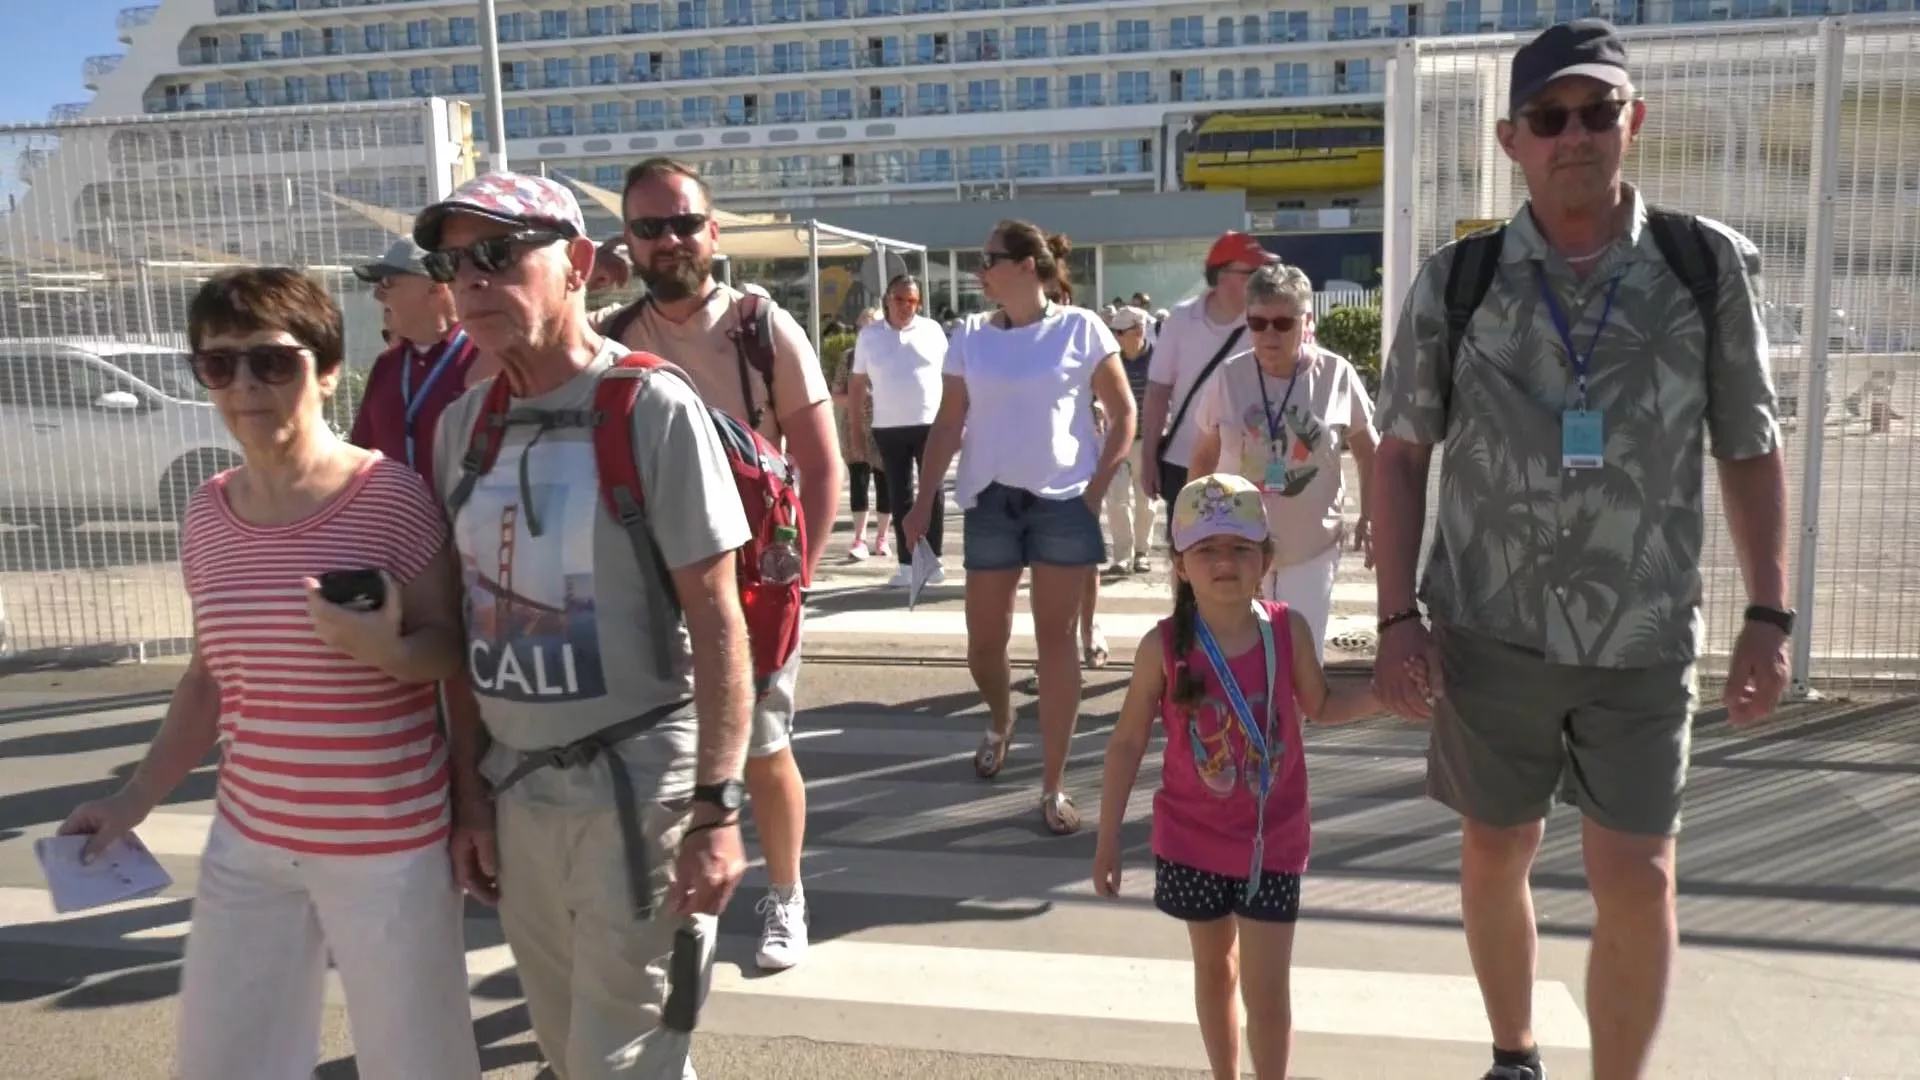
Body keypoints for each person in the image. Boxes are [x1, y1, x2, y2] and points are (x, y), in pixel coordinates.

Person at [1370, 20, 1790, 1080]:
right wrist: (1394, 618)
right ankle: (1514, 1052)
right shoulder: (1459, 282)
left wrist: (1769, 616)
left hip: (1642, 630)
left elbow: (1749, 449)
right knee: (1495, 848)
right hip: (1488, 625)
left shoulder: (1704, 269)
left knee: (1640, 876)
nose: (1577, 135)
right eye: (1551, 118)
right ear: (1514, 139)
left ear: (1631, 123)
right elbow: (1403, 453)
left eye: (1598, 111)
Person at [60, 267, 482, 1080]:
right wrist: (130, 799)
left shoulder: (389, 496)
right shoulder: (206, 509)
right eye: (219, 365)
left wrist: (391, 657)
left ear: (327, 371)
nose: (245, 384)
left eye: (272, 361)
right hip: (249, 841)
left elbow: (455, 651)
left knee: (417, 1063)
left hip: (388, 847)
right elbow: (206, 680)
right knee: (226, 1062)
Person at [417, 172, 755, 1080]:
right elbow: (459, 622)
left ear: (574, 264)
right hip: (519, 793)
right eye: (452, 262)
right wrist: (471, 795)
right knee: (568, 1051)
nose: (472, 281)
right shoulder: (462, 426)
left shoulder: (651, 406)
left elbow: (721, 624)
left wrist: (718, 808)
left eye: (497, 254)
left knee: (630, 1059)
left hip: (641, 797)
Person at [614, 156, 842, 972]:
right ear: (628, 243)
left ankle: (786, 894)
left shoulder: (759, 325)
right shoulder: (615, 337)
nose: (669, 239)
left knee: (762, 742)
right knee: (665, 749)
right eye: (650, 227)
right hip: (653, 578)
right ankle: (690, 903)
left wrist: (795, 581)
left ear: (713, 232)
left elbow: (821, 465)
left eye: (683, 222)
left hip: (754, 577)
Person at [1092, 473, 1383, 1080]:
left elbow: (1323, 705)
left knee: (1267, 989)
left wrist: (1391, 696)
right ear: (1179, 565)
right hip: (1190, 841)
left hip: (1271, 842)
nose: (1224, 562)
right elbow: (1125, 744)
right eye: (1206, 550)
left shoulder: (1287, 631)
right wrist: (1107, 836)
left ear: (1266, 560)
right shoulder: (1164, 647)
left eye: (1239, 548)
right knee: (1213, 969)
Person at [901, 221, 1135, 835]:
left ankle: (1052, 784)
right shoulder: (970, 336)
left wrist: (1095, 489)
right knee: (984, 643)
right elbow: (950, 423)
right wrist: (922, 498)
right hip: (990, 500)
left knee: (1056, 643)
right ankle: (1001, 719)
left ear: (1028, 266)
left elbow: (1125, 411)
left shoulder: (1080, 327)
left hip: (1062, 501)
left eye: (990, 260)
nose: (980, 271)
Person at [1188, 263, 1378, 659]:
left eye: (1282, 322)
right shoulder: (1229, 377)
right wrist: (1192, 528)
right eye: (1258, 323)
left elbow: (1366, 446)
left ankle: (1293, 724)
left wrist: (1372, 513)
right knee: (1241, 661)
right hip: (1237, 546)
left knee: (1300, 663)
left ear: (1306, 320)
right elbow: (1204, 454)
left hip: (1311, 546)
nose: (1269, 334)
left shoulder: (1336, 375)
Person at [1141, 233, 1279, 509]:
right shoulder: (1181, 318)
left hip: (1252, 466)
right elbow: (1157, 392)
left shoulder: (1269, 322)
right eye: (1254, 272)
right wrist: (1147, 460)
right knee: (1189, 550)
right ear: (1222, 275)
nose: (1265, 279)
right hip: (1184, 462)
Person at [349, 237, 492, 485]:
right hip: (398, 520)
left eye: (388, 282)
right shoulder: (386, 366)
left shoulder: (486, 358)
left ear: (435, 288)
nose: (378, 295)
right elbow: (360, 453)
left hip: (467, 520)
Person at [850, 274, 949, 586]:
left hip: (930, 423)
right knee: (899, 493)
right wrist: (855, 430)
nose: (906, 306)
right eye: (900, 299)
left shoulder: (932, 330)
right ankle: (908, 565)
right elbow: (856, 384)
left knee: (932, 491)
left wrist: (958, 421)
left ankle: (933, 561)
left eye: (913, 301)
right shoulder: (869, 336)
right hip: (887, 426)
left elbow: (953, 376)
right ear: (887, 300)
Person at [1104, 305, 1159, 574]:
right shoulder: (1111, 359)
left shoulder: (1158, 360)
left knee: (1146, 500)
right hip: (1116, 440)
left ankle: (1141, 552)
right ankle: (1122, 555)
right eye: (1114, 331)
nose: (1115, 336)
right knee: (1116, 498)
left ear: (1138, 330)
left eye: (1120, 331)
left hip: (1148, 439)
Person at [834, 329, 891, 563]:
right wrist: (858, 398)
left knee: (885, 482)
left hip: (886, 427)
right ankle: (859, 539)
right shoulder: (849, 358)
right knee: (859, 481)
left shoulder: (891, 355)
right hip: (854, 428)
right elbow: (836, 394)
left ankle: (882, 537)